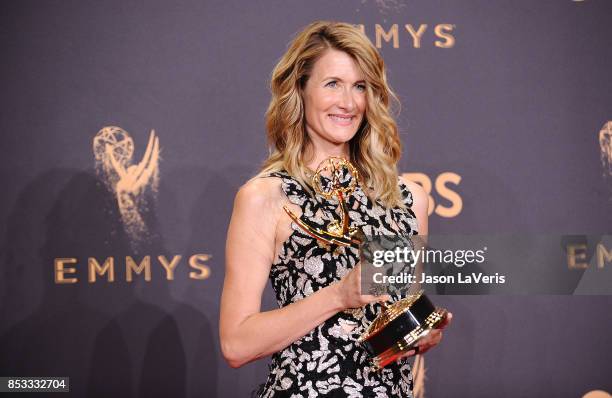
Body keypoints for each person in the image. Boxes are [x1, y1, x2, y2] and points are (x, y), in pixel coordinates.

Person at [220, 21, 452, 397]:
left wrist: (417, 334)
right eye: (332, 84)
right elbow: (236, 343)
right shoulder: (267, 197)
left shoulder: (407, 200)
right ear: (300, 89)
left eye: (360, 86)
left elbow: (392, 323)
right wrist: (336, 297)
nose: (348, 102)